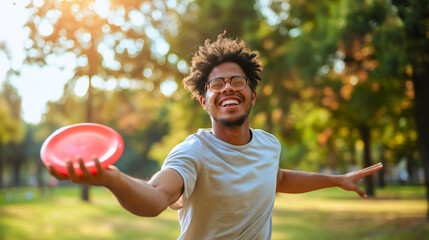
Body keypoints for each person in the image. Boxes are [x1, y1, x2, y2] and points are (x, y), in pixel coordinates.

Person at [48, 32, 383, 239]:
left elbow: (276, 177)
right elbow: (155, 197)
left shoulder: (269, 145)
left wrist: (338, 180)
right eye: (216, 85)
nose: (228, 89)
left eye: (238, 82)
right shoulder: (192, 152)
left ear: (253, 95)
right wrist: (113, 179)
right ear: (203, 100)